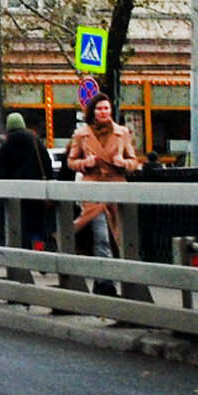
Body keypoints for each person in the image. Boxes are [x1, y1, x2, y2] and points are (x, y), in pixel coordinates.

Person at [66, 95, 142, 270]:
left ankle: (119, 273)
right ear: (93, 111)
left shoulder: (122, 133)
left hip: (116, 188)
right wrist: (85, 163)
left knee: (118, 235)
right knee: (101, 235)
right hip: (93, 189)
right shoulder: (81, 134)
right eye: (99, 109)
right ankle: (106, 278)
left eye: (106, 108)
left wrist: (123, 163)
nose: (104, 112)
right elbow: (71, 162)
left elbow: (134, 162)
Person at [0, 109, 52, 247]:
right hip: (36, 190)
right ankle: (38, 250)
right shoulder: (35, 141)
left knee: (17, 223)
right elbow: (46, 163)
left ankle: (21, 253)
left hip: (15, 193)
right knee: (36, 224)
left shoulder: (6, 145)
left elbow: (0, 168)